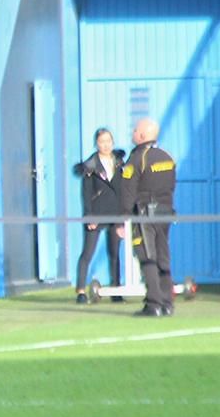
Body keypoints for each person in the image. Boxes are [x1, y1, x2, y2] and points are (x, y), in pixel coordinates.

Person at [116, 117, 178, 317]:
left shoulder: (137, 158)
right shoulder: (167, 156)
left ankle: (153, 304)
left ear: (142, 135)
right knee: (163, 256)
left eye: (135, 130)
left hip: (144, 215)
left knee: (147, 256)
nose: (132, 133)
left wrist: (122, 219)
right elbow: (171, 185)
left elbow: (128, 191)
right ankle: (167, 303)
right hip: (165, 212)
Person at [75, 128, 126, 302]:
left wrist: (123, 217)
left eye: (108, 141)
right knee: (87, 252)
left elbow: (124, 189)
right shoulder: (90, 166)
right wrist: (89, 215)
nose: (105, 145)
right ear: (96, 144)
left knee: (115, 253)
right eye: (102, 142)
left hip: (116, 213)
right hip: (97, 213)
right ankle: (81, 291)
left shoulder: (120, 163)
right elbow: (86, 193)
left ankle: (116, 290)